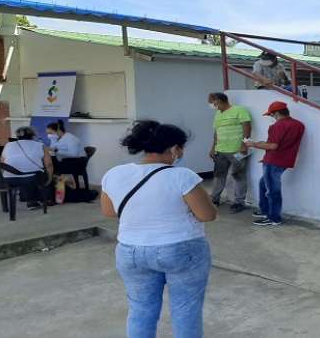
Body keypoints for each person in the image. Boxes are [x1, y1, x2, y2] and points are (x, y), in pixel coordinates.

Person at [100, 120, 218, 338]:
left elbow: (109, 212)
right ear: (174, 149)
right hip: (181, 249)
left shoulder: (114, 174)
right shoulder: (182, 176)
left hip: (131, 251)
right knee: (186, 310)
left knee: (141, 309)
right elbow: (207, 215)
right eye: (181, 148)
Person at [244, 101, 305, 226]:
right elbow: (284, 145)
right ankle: (265, 210)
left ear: (277, 113)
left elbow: (273, 145)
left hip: (274, 161)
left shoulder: (278, 126)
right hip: (283, 160)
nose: (272, 117)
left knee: (272, 190)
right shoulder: (298, 125)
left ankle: (273, 218)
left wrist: (253, 144)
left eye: (272, 115)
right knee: (263, 184)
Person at [208, 92, 252, 213]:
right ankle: (214, 199)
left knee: (238, 175)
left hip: (237, 150)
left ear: (220, 100)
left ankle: (239, 202)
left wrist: (244, 144)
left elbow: (247, 126)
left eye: (213, 103)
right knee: (218, 175)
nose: (212, 105)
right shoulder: (217, 114)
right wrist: (213, 147)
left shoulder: (239, 110)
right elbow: (217, 131)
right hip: (221, 150)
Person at [0, 126, 54, 209]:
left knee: (26, 174)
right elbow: (49, 164)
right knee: (40, 174)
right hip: (32, 178)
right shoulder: (40, 145)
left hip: (10, 179)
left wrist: (5, 176)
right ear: (33, 136)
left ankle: (31, 201)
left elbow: (2, 163)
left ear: (17, 136)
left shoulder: (8, 145)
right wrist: (49, 179)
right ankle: (43, 200)